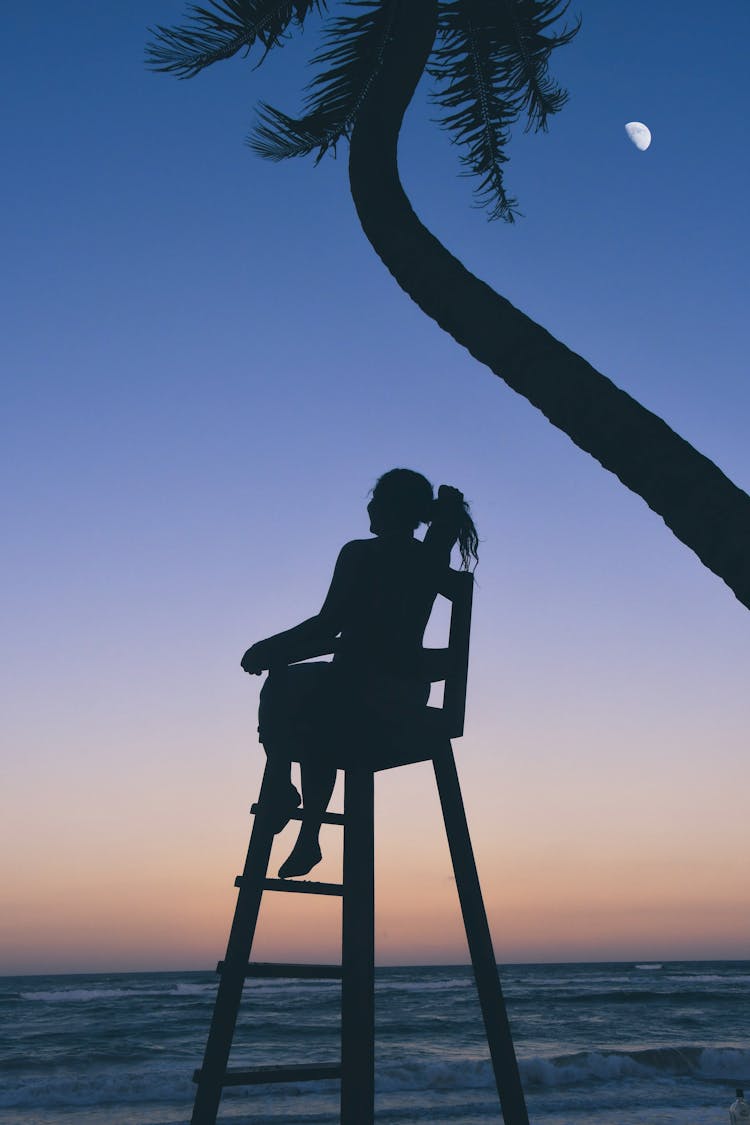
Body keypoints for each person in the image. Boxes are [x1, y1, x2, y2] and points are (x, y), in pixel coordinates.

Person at [240, 468, 479, 878]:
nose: (368, 506)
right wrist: (444, 515)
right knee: (322, 709)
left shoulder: (361, 553)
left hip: (363, 689)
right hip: (402, 693)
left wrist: (268, 648)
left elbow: (327, 625)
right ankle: (308, 833)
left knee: (284, 685)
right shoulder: (429, 557)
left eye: (374, 498)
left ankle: (284, 790)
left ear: (386, 507)